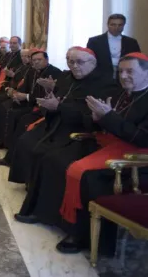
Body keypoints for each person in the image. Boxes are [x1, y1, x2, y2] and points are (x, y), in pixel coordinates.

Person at [13, 53, 148, 256]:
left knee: (86, 176)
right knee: (52, 158)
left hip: (132, 158)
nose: (124, 76)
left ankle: (80, 235)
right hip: (104, 143)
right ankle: (45, 214)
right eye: (121, 71)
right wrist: (97, 119)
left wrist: (108, 117)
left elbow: (142, 139)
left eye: (130, 71)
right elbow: (100, 122)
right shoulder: (121, 93)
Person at [8, 47, 118, 185]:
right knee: (25, 141)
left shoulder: (105, 85)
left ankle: (37, 188)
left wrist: (59, 107)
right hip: (56, 123)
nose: (74, 66)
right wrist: (50, 94)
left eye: (79, 62)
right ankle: (29, 183)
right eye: (70, 62)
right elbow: (58, 98)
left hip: (76, 131)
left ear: (93, 63)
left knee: (46, 155)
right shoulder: (66, 77)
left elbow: (90, 119)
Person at [0, 50, 63, 165]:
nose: (36, 62)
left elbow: (47, 97)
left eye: (39, 60)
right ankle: (4, 141)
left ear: (47, 60)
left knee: (19, 118)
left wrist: (25, 96)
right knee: (6, 108)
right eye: (34, 60)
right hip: (29, 102)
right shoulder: (32, 70)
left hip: (42, 108)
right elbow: (24, 87)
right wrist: (16, 94)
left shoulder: (55, 73)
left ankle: (12, 157)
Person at [86, 14, 140, 79]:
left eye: (120, 25)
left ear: (124, 26)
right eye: (113, 24)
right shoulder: (94, 41)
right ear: (108, 25)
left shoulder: (131, 42)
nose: (116, 27)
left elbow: (137, 61)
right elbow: (88, 61)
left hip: (125, 76)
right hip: (100, 77)